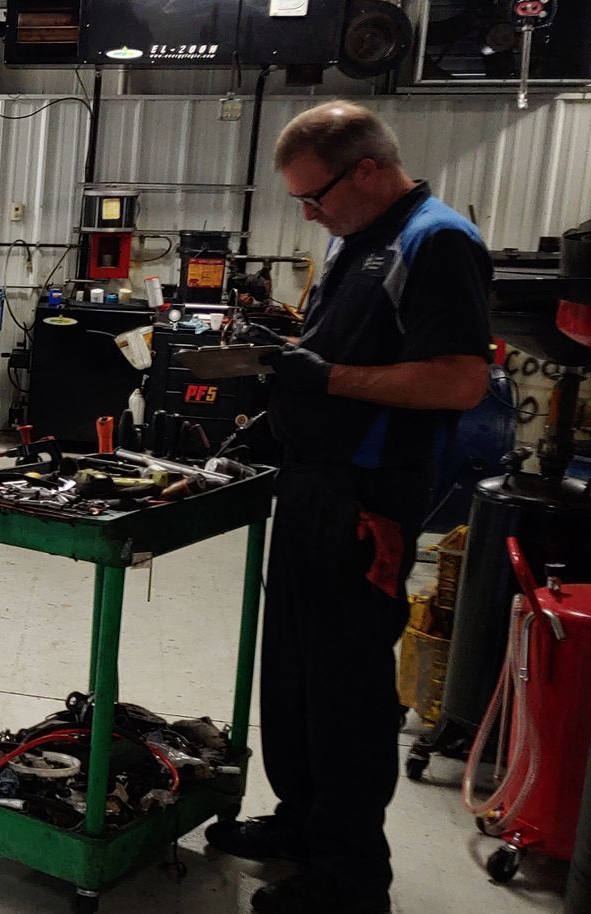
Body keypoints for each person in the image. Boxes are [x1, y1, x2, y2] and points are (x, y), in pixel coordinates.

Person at [204, 100, 492, 913]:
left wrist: (324, 379)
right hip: (311, 488)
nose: (307, 212)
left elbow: (458, 379)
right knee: (293, 680)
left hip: (370, 506)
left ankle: (351, 879)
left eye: (314, 195)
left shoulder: (435, 242)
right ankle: (304, 826)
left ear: (367, 170)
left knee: (347, 694)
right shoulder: (356, 239)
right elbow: (353, 348)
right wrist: (287, 353)